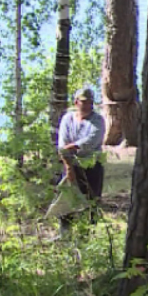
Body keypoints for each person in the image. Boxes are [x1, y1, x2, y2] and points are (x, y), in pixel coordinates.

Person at [57, 88, 106, 236]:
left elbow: (92, 140)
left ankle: (88, 233)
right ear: (76, 102)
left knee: (91, 199)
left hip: (92, 165)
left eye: (90, 102)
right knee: (67, 197)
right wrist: (69, 167)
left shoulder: (98, 120)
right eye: (83, 102)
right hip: (71, 163)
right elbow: (62, 143)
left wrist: (74, 146)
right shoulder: (68, 118)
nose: (86, 105)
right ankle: (65, 232)